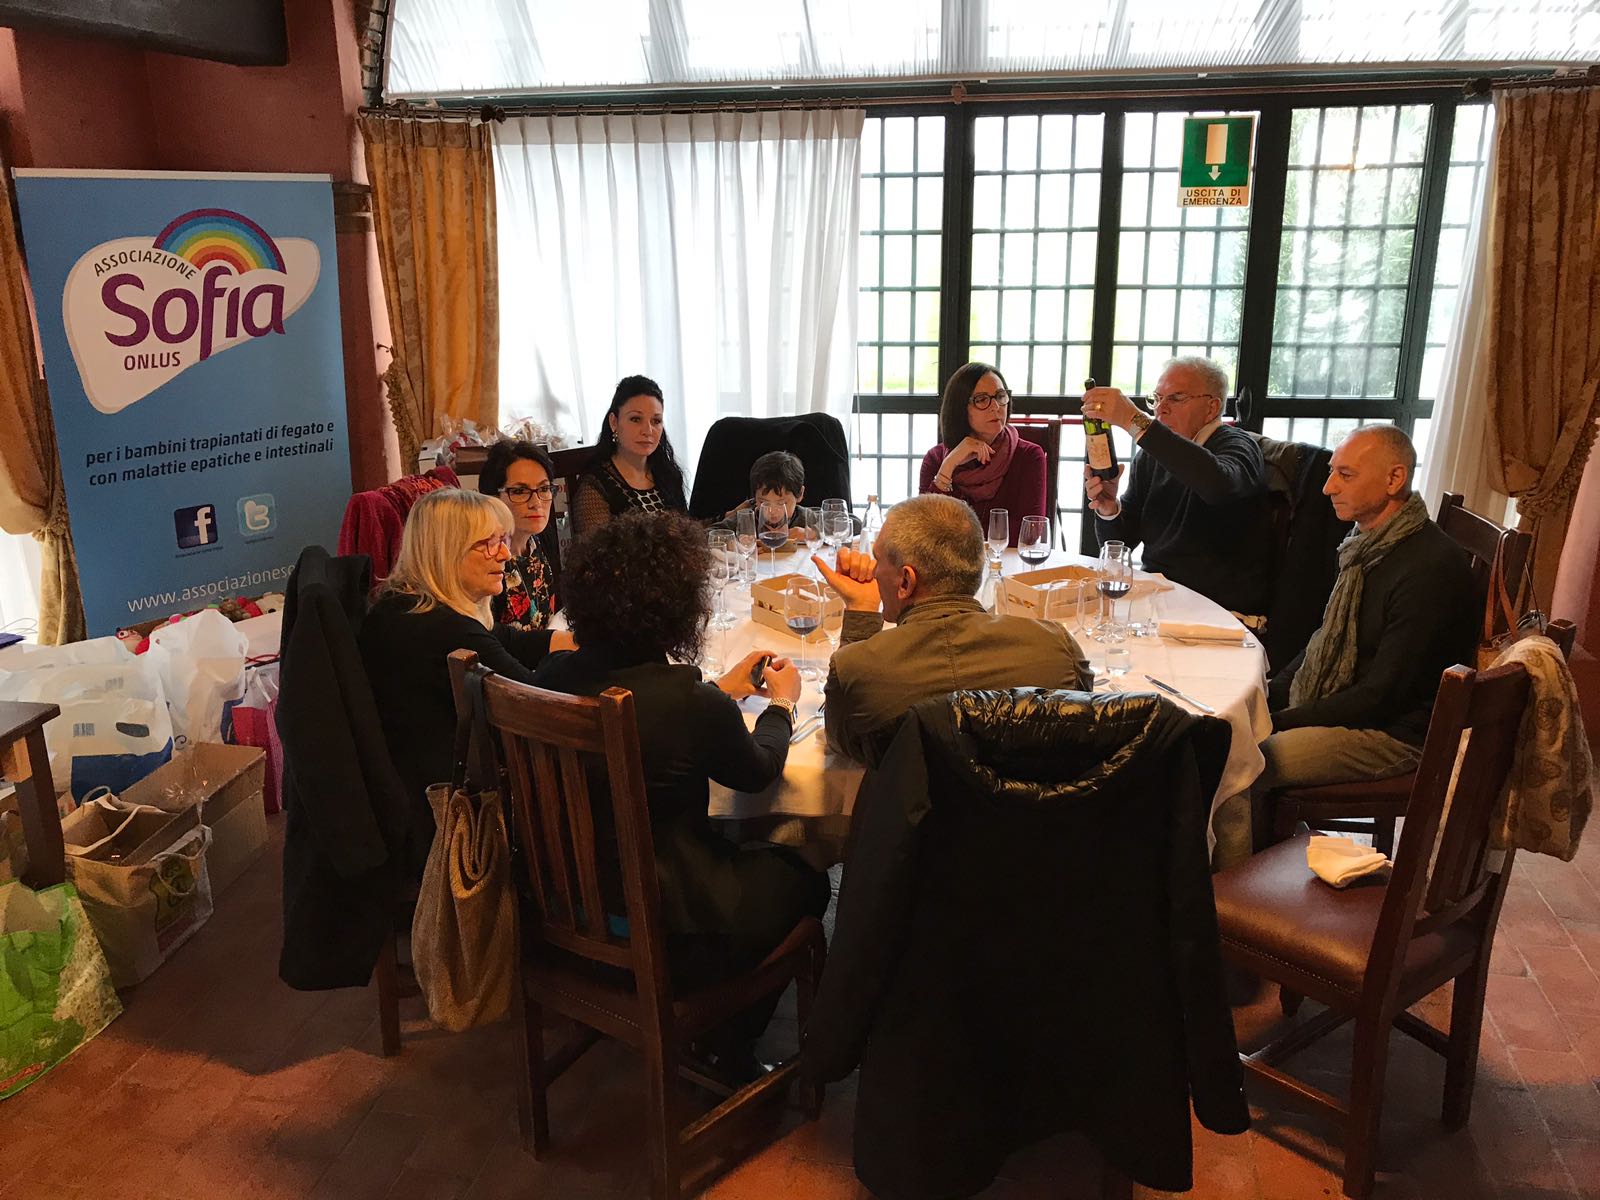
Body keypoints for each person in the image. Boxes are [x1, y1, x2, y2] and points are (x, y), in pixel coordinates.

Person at [533, 511, 829, 1069]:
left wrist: (719, 690)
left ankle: (715, 1033)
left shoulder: (550, 677)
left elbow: (642, 704)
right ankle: (728, 1044)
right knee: (808, 880)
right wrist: (782, 704)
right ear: (678, 610)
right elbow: (760, 771)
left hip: (559, 913)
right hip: (670, 932)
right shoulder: (688, 702)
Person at [359, 488, 574, 870]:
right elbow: (538, 702)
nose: (505, 554)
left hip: (406, 790)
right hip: (452, 815)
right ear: (447, 550)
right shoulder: (444, 629)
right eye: (488, 544)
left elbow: (505, 639)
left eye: (503, 540)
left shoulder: (405, 605)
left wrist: (576, 641)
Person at [1259, 425, 1476, 793]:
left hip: (1398, 735)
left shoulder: (1428, 569)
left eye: (1345, 475)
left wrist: (1279, 720)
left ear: (1394, 479)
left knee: (1245, 759)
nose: (1328, 487)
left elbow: (1382, 697)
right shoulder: (1362, 544)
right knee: (1232, 734)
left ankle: (1251, 832)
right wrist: (1268, 694)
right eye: (1331, 472)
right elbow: (1323, 638)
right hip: (1360, 709)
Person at [813, 493, 1091, 766]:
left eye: (878, 559)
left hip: (914, 799)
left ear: (906, 581)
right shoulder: (1060, 651)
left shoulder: (857, 669)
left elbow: (842, 742)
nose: (873, 571)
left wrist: (861, 613)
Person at [1083, 356, 1274, 621]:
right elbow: (1121, 544)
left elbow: (1219, 486)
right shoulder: (1152, 456)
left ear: (1212, 407)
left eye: (1176, 398)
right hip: (1157, 603)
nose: (1161, 409)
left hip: (1217, 613)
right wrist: (1109, 508)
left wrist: (1133, 420)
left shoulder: (1238, 445)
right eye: (1157, 399)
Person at [919, 362, 1048, 546]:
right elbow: (924, 530)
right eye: (981, 400)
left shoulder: (1029, 456)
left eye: (1000, 396)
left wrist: (955, 532)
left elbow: (1030, 531)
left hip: (1005, 561)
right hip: (949, 563)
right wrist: (949, 465)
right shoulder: (935, 459)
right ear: (960, 408)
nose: (995, 406)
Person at [570, 374, 689, 537]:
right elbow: (598, 550)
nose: (648, 430)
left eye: (656, 421)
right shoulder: (594, 487)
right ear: (614, 422)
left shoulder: (668, 474)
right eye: (636, 419)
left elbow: (687, 534)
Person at [477, 438, 562, 632]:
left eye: (544, 489)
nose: (536, 503)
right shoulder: (486, 555)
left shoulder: (541, 539)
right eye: (520, 491)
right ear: (492, 498)